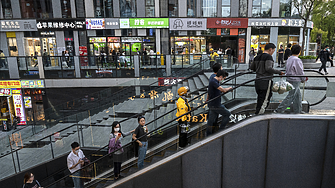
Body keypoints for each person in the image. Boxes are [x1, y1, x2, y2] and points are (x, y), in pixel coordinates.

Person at [250, 43, 284, 115]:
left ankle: (257, 114)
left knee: (260, 99)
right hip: (265, 81)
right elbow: (268, 68)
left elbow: (252, 67)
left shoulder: (257, 57)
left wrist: (259, 69)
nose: (273, 52)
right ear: (270, 49)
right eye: (273, 51)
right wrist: (279, 72)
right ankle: (258, 117)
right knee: (264, 101)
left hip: (257, 80)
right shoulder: (268, 57)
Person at [274, 45, 307, 114]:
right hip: (295, 79)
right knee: (291, 95)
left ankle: (298, 110)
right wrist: (303, 78)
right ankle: (279, 109)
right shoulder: (297, 60)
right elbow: (300, 71)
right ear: (299, 52)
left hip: (289, 78)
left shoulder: (289, 59)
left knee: (297, 95)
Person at [207, 70, 232, 136]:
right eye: (224, 78)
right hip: (216, 105)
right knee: (227, 114)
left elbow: (209, 92)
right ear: (221, 77)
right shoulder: (214, 82)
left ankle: (208, 134)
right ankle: (221, 130)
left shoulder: (213, 81)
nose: (223, 80)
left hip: (212, 104)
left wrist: (207, 99)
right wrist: (229, 88)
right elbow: (223, 90)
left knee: (211, 120)